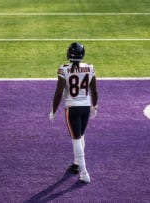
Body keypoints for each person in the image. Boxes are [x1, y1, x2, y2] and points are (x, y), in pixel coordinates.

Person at [49, 42, 98, 183]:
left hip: (72, 108)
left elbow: (59, 92)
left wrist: (53, 110)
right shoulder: (90, 68)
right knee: (81, 136)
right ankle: (77, 164)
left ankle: (84, 172)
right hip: (85, 107)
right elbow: (94, 90)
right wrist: (95, 106)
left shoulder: (64, 69)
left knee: (76, 139)